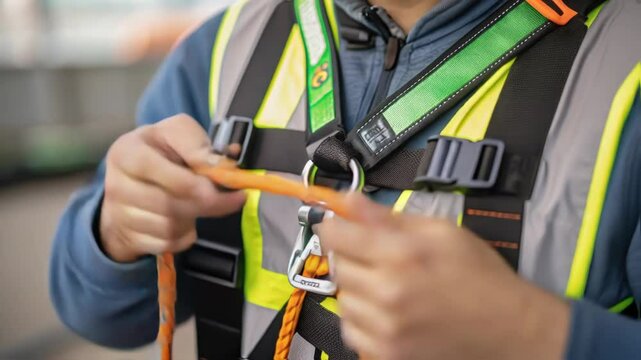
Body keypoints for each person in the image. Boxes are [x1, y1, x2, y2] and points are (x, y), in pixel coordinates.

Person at [50, 0, 641, 359]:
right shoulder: (223, 48)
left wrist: (534, 335)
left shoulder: (624, 64)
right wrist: (112, 230)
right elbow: (99, 313)